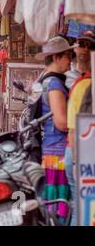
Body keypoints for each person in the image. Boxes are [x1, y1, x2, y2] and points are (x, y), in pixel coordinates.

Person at [35, 36, 75, 223]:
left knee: (52, 205)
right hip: (58, 151)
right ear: (56, 57)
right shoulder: (54, 84)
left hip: (50, 150)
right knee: (58, 208)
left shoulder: (45, 80)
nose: (71, 60)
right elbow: (61, 122)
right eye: (68, 56)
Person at [64, 31, 94, 226]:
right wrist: (77, 162)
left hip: (82, 155)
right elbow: (75, 128)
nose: (84, 49)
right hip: (81, 155)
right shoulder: (81, 83)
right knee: (84, 212)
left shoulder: (84, 81)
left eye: (89, 45)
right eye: (80, 44)